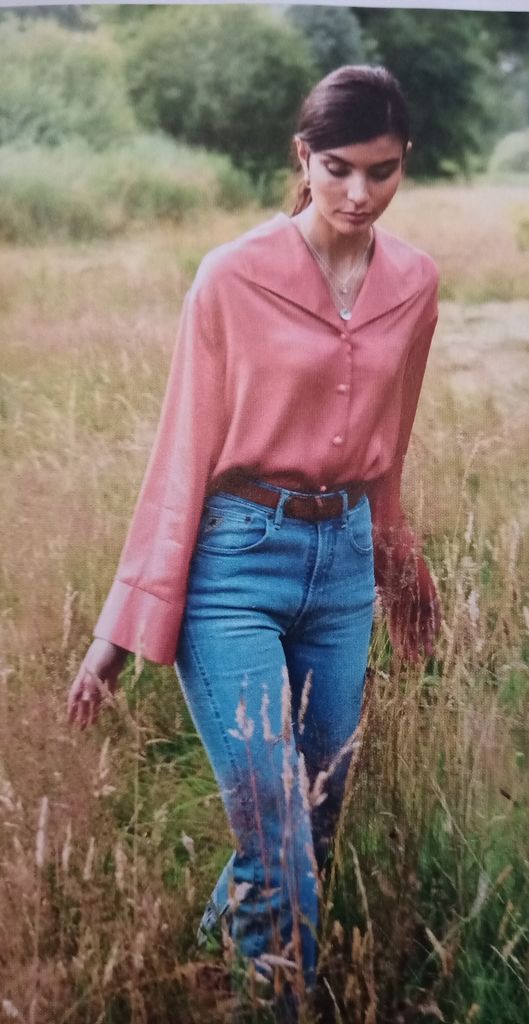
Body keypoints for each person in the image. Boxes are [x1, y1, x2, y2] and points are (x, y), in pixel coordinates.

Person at [67, 65, 441, 1016]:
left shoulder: (414, 284)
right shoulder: (231, 276)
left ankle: (205, 964)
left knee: (312, 820)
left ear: (404, 163)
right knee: (275, 837)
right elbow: (181, 451)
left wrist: (401, 570)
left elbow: (389, 450)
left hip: (344, 567)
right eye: (338, 168)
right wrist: (118, 630)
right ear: (302, 157)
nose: (359, 193)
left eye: (383, 171)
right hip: (233, 564)